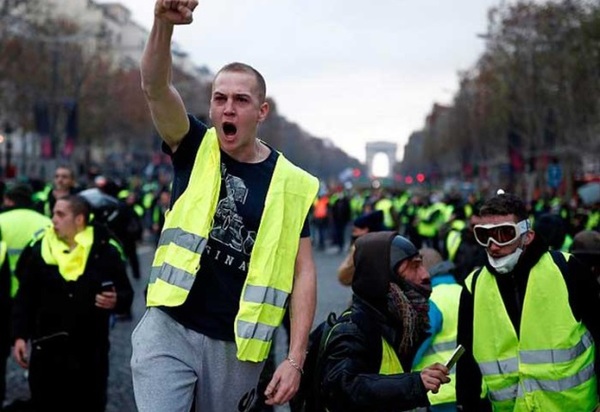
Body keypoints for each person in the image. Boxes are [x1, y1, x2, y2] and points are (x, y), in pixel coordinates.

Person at [130, 2, 320, 412]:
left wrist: (295, 359)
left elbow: (303, 273)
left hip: (238, 348)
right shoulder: (195, 144)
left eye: (240, 100)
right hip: (169, 328)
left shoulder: (292, 183)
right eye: (219, 98)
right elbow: (155, 87)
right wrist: (163, 24)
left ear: (261, 111)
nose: (227, 108)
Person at [456, 191, 600, 411]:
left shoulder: (567, 269)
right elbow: (466, 366)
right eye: (485, 236)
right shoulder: (473, 287)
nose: (493, 245)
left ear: (527, 235)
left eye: (504, 234)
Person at [11, 195, 133, 412]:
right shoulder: (40, 248)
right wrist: (20, 335)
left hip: (89, 354)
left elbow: (126, 293)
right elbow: (25, 296)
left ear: (79, 220)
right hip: (46, 350)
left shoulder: (105, 250)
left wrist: (117, 300)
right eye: (53, 213)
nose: (53, 219)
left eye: (60, 214)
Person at [319, 232, 450, 411]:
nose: (425, 275)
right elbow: (342, 388)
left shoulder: (399, 323)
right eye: (414, 266)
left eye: (422, 264)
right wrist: (413, 384)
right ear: (384, 275)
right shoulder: (353, 330)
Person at [413, 248, 462, 412]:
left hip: (440, 388)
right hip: (473, 386)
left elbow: (417, 345)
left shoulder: (431, 301)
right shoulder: (464, 292)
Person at [338, 209, 384, 286]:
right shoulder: (390, 241)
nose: (353, 234)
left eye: (355, 230)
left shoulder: (360, 247)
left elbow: (343, 276)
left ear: (365, 230)